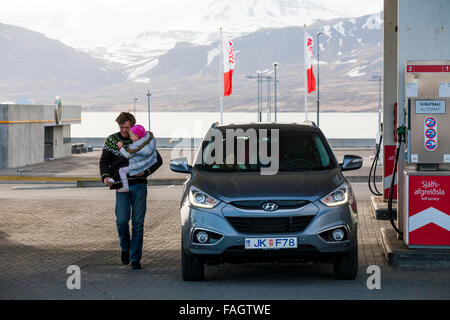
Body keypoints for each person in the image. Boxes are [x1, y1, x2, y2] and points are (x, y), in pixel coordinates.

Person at [99, 112, 159, 270]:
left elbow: (157, 160)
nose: (125, 131)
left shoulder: (143, 139)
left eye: (127, 127)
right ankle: (125, 247)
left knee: (138, 224)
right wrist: (105, 176)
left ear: (133, 126)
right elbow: (104, 161)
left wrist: (146, 172)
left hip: (139, 185)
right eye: (122, 127)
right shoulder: (112, 140)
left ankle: (135, 259)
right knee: (122, 221)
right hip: (121, 185)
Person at [115, 124, 157, 193]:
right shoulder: (148, 143)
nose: (130, 137)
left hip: (137, 166)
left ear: (137, 136)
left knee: (122, 171)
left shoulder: (136, 146)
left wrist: (121, 147)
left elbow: (127, 155)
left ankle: (125, 187)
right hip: (146, 164)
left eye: (131, 135)